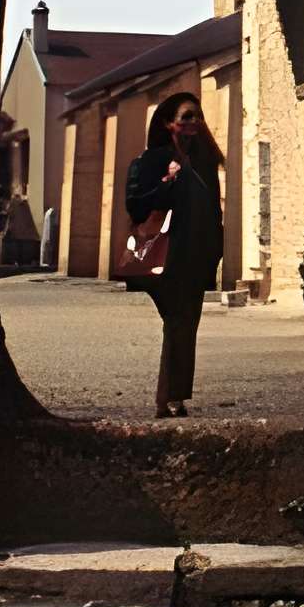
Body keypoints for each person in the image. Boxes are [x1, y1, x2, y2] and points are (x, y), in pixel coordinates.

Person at [125, 95, 224, 418]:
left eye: (198, 117)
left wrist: (215, 250)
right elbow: (136, 205)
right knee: (178, 321)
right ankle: (167, 398)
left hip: (196, 255)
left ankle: (174, 398)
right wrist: (168, 182)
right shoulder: (153, 160)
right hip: (166, 255)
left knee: (184, 324)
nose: (194, 122)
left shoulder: (205, 160)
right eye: (186, 117)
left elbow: (212, 210)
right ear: (169, 123)